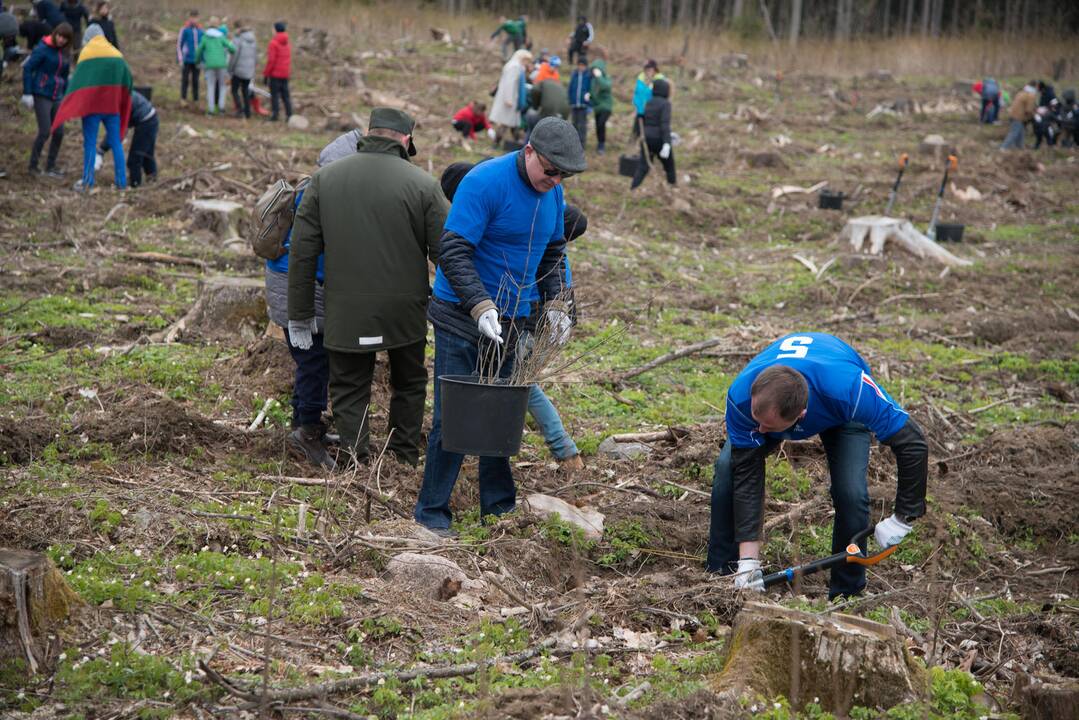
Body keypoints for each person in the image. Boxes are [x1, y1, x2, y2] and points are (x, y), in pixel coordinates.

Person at [415, 117, 586, 536]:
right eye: (549, 170)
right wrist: (479, 304)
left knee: (502, 414)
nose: (555, 179)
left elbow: (551, 253)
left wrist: (558, 304)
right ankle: (432, 512)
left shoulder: (552, 192)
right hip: (462, 318)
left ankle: (498, 508)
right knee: (453, 416)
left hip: (515, 319)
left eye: (563, 174)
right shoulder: (484, 183)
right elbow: (452, 251)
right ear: (529, 151)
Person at [708, 333, 928, 599]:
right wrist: (749, 562)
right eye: (757, 420)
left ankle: (847, 592)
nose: (759, 431)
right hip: (785, 401)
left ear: (800, 417)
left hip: (839, 411)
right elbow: (747, 475)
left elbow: (912, 442)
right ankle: (726, 573)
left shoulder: (852, 391)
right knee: (727, 470)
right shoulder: (743, 397)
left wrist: (903, 517)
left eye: (768, 427)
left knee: (851, 493)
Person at [289, 108, 447, 468]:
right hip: (405, 311)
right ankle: (403, 457)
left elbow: (302, 253)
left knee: (349, 385)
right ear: (406, 140)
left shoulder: (324, 180)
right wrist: (465, 307)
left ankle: (355, 458)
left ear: (368, 134)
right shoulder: (423, 184)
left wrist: (300, 315)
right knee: (409, 381)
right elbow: (446, 253)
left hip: (346, 309)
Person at [438, 160, 587, 470]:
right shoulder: (499, 198)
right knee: (511, 383)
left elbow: (568, 233)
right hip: (518, 308)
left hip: (531, 309)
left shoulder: (523, 206)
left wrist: (557, 307)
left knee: (518, 385)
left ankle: (564, 449)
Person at [264, 129, 363, 470]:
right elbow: (317, 255)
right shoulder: (322, 197)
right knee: (314, 362)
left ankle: (305, 424)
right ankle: (306, 433)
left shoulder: (316, 188)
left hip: (298, 287)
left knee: (313, 359)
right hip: (297, 288)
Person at [50, 22, 131, 190]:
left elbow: (79, 82)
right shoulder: (117, 54)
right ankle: (121, 183)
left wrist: (69, 101)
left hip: (92, 109)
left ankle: (88, 181)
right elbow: (128, 80)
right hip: (112, 108)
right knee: (116, 143)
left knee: (90, 143)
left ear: (88, 38)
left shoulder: (87, 53)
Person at [22, 20, 71, 177]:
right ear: (55, 33)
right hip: (41, 93)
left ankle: (50, 166)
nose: (61, 40)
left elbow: (64, 76)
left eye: (65, 38)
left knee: (59, 132)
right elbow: (28, 68)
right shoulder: (43, 49)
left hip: (57, 95)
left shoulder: (64, 53)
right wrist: (27, 92)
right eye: (60, 36)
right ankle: (33, 166)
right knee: (45, 131)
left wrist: (66, 93)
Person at [96, 88, 156, 187]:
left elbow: (120, 131)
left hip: (147, 121)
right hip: (150, 117)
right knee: (146, 154)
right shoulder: (115, 95)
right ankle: (152, 179)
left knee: (135, 158)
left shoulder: (117, 102)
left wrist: (102, 149)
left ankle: (135, 185)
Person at [631, 78, 675, 189]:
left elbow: (639, 120)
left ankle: (633, 188)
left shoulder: (647, 102)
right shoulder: (665, 104)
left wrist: (636, 137)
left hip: (646, 139)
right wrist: (667, 143)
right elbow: (664, 124)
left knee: (643, 166)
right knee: (669, 166)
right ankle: (673, 188)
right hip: (659, 139)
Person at [489, 49, 531, 147]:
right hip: (509, 100)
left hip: (511, 99)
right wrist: (508, 99)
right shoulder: (514, 67)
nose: (527, 63)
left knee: (513, 123)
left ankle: (518, 142)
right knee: (506, 122)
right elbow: (509, 83)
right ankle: (496, 142)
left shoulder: (515, 66)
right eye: (527, 60)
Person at [195, 18, 232, 115]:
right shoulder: (221, 37)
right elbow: (232, 48)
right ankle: (221, 109)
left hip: (209, 65)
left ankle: (211, 110)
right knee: (222, 86)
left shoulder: (205, 37)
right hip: (222, 65)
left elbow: (198, 51)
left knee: (211, 86)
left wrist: (197, 61)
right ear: (218, 26)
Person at [263, 21, 291, 122]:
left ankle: (275, 115)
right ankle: (289, 114)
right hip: (285, 73)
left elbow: (271, 60)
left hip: (275, 74)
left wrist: (266, 74)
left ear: (275, 30)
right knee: (286, 96)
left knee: (274, 96)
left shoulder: (273, 43)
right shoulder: (287, 42)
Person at [228, 19, 256, 118]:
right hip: (249, 71)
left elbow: (234, 56)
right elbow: (255, 56)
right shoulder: (253, 39)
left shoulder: (238, 39)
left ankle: (239, 109)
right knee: (245, 91)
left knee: (234, 90)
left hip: (238, 70)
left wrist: (230, 68)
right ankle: (248, 112)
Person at [176, 9, 202, 105]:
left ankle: (196, 99)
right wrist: (180, 59)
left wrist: (202, 59)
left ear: (198, 18)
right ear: (189, 18)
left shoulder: (200, 30)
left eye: (196, 18)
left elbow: (202, 46)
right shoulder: (185, 29)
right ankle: (183, 98)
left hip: (197, 60)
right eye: (192, 18)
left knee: (196, 80)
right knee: (185, 80)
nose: (194, 20)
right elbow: (179, 44)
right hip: (186, 59)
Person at [1001, 82, 1037, 150]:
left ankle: (1020, 147)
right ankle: (1003, 147)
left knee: (1021, 132)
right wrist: (1034, 115)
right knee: (1014, 132)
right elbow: (1029, 110)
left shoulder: (1021, 93)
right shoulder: (1031, 95)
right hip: (1019, 117)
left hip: (1012, 114)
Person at [632, 59, 663, 137]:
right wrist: (636, 106)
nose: (647, 71)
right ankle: (633, 145)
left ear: (655, 69)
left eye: (650, 69)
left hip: (652, 112)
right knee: (636, 132)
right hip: (640, 110)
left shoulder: (660, 80)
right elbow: (638, 93)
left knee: (648, 133)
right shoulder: (641, 77)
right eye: (646, 69)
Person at [589, 58, 612, 155]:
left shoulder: (606, 78)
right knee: (598, 126)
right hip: (597, 108)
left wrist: (599, 77)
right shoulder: (593, 81)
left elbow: (605, 87)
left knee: (601, 124)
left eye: (596, 69)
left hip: (606, 107)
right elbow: (593, 94)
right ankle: (600, 144)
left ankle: (601, 145)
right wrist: (589, 97)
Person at [567, 57, 591, 150]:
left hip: (583, 105)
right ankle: (574, 143)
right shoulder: (574, 75)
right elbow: (570, 88)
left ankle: (582, 144)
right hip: (574, 104)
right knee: (574, 124)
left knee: (582, 125)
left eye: (583, 65)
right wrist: (569, 100)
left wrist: (589, 103)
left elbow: (590, 89)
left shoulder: (588, 76)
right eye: (579, 65)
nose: (581, 67)